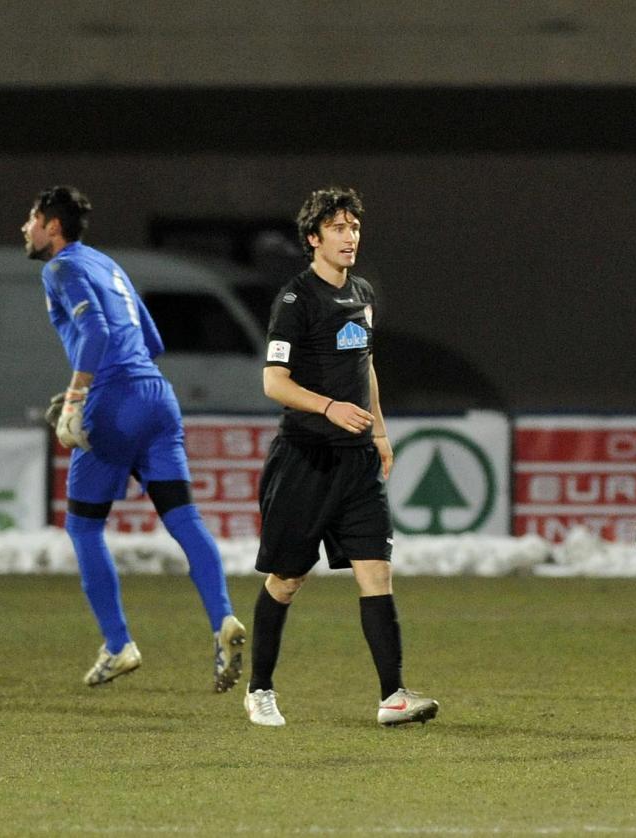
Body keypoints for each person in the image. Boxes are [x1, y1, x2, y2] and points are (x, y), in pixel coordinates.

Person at [22, 186, 246, 691]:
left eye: (31, 219)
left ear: (51, 226)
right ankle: (223, 620)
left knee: (83, 529)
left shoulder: (58, 268)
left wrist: (79, 397)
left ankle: (119, 644)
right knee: (185, 519)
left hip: (114, 401)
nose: (25, 229)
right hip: (156, 396)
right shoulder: (109, 265)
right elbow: (153, 341)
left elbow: (96, 334)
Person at [242, 186, 438, 728]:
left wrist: (378, 432)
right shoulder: (295, 301)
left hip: (356, 462)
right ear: (313, 239)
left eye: (354, 227)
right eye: (338, 228)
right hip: (306, 458)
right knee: (287, 579)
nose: (350, 237)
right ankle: (259, 688)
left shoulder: (363, 293)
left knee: (376, 572)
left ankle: (393, 695)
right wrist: (329, 408)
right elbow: (273, 382)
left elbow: (365, 366)